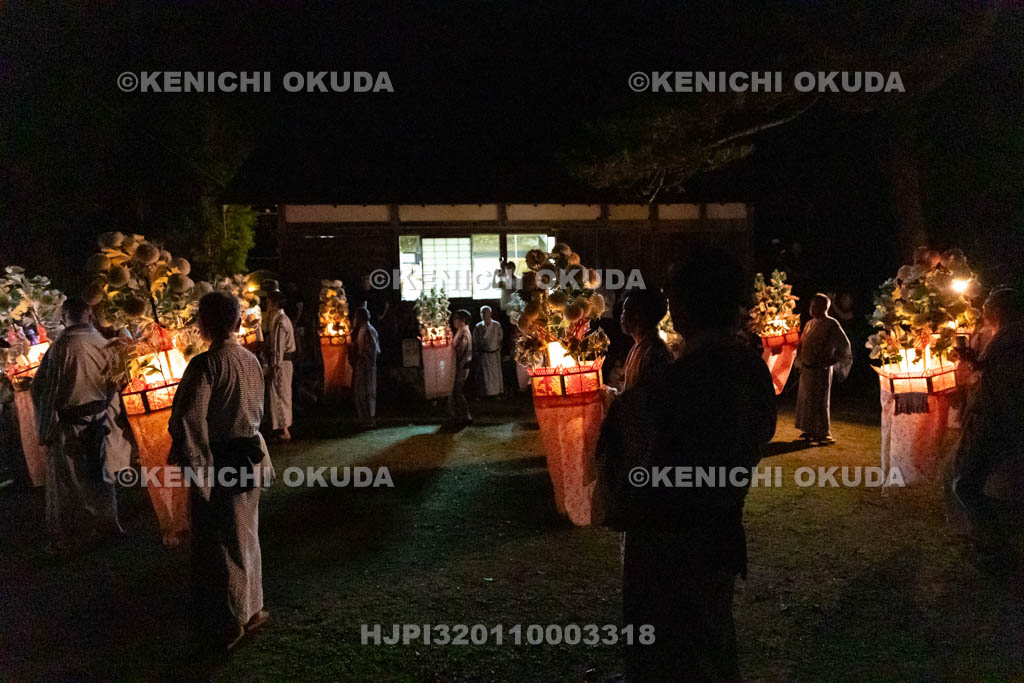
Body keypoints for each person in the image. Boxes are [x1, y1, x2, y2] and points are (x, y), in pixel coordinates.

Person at [595, 247, 776, 681]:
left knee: (663, 654)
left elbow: (619, 468)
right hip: (721, 532)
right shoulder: (752, 370)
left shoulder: (671, 386)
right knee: (712, 646)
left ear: (682, 307)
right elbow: (760, 433)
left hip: (664, 543)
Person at [169, 292, 271, 651]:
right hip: (250, 457)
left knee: (224, 543)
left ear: (203, 324)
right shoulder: (250, 360)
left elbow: (187, 419)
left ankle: (233, 619)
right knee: (246, 534)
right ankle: (252, 608)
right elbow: (256, 414)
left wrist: (198, 468)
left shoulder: (205, 365)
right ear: (238, 323)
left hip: (223, 462)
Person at [31, 298, 131, 555]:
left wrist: (46, 429)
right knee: (101, 478)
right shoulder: (103, 343)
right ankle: (108, 525)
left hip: (71, 426)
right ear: (88, 316)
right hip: (99, 420)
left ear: (65, 317)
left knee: (71, 482)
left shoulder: (60, 348)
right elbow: (118, 381)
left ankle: (76, 533)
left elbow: (43, 388)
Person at [952, 288, 1024, 573]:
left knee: (965, 483)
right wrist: (976, 361)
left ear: (996, 311)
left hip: (995, 422)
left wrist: (983, 416)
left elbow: (1007, 386)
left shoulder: (1010, 339)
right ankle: (987, 539)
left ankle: (994, 546)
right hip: (996, 419)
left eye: (986, 310)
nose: (984, 315)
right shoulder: (1009, 337)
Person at [794, 293, 852, 444]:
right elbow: (802, 343)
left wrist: (833, 360)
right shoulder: (809, 324)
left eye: (815, 306)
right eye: (811, 305)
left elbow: (844, 347)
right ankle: (808, 429)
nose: (812, 309)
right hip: (807, 369)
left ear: (824, 307)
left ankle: (822, 433)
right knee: (806, 400)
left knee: (819, 401)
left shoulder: (832, 325)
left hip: (821, 370)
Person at [619, 287, 673, 392]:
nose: (621, 316)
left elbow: (645, 401)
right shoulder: (640, 346)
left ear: (637, 315)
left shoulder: (655, 353)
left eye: (625, 311)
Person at [264, 291, 296, 441]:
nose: (267, 304)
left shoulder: (281, 321)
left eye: (269, 301)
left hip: (282, 363)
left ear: (275, 303)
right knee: (282, 394)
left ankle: (284, 430)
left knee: (280, 394)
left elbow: (278, 346)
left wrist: (275, 365)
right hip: (284, 363)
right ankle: (281, 428)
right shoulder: (281, 319)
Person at [350, 305, 380, 429]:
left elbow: (372, 349)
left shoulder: (367, 330)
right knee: (362, 391)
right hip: (363, 364)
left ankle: (368, 418)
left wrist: (362, 357)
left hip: (366, 365)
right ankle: (365, 418)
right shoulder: (363, 329)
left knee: (366, 391)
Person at [473, 305, 504, 398]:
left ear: (490, 313)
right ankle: (485, 393)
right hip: (484, 354)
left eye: (485, 312)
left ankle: (496, 393)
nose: (483, 315)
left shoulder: (496, 325)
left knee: (495, 374)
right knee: (485, 375)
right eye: (481, 313)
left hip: (494, 354)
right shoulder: (478, 326)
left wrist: (497, 347)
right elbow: (475, 340)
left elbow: (500, 338)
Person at [449, 309, 473, 426]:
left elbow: (460, 350)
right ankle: (460, 415)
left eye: (456, 318)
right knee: (457, 391)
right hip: (460, 365)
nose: (454, 321)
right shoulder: (461, 331)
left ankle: (465, 415)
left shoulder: (464, 332)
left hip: (462, 366)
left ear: (462, 320)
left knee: (458, 391)